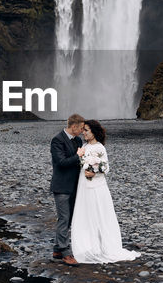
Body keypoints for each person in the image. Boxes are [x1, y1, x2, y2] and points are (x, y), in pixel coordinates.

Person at [69, 120, 140, 264]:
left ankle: (103, 246)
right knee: (86, 212)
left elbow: (106, 168)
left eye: (86, 130)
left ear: (93, 132)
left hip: (97, 185)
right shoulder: (83, 146)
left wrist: (94, 172)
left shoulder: (100, 148)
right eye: (83, 130)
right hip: (84, 185)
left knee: (100, 212)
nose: (84, 133)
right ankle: (88, 245)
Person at [49, 113, 85, 266]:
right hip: (62, 186)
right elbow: (61, 162)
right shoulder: (57, 140)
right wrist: (78, 156)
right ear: (74, 126)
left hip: (75, 185)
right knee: (64, 218)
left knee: (69, 218)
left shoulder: (78, 140)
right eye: (81, 128)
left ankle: (57, 249)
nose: (83, 131)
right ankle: (65, 253)